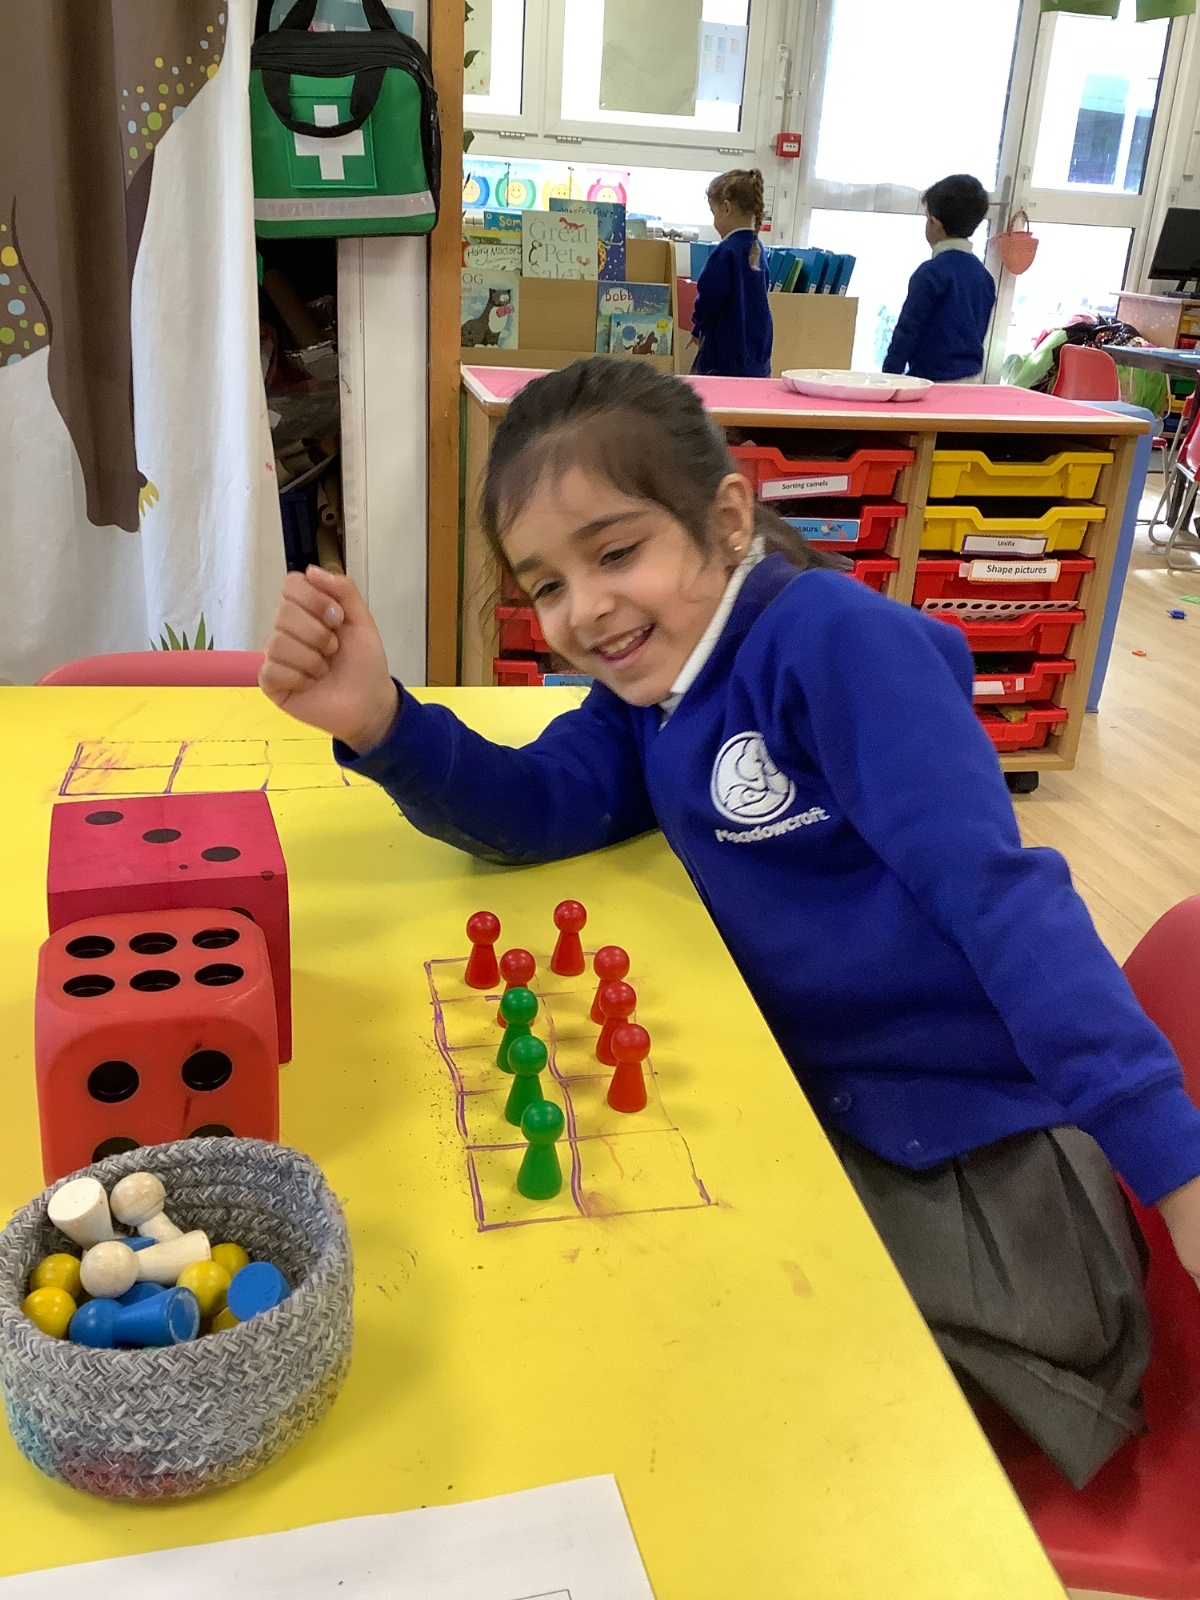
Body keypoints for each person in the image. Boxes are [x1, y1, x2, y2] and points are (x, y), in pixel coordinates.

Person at [261, 359, 1200, 1488]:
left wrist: (1178, 1166)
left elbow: (1006, 903)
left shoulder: (836, 647)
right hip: (816, 1121)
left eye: (616, 553)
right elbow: (539, 807)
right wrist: (383, 722)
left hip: (979, 1172)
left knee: (693, 1390)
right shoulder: (650, 695)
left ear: (726, 517)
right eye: (547, 584)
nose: (585, 609)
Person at [883, 174, 996, 383]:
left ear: (934, 222)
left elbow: (907, 331)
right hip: (972, 380)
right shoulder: (985, 277)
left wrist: (888, 376)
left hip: (930, 381)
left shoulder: (930, 273)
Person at [691, 168, 773, 378]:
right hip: (757, 358)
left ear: (726, 208)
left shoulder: (726, 251)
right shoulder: (758, 249)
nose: (714, 222)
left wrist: (697, 326)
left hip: (725, 357)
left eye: (714, 213)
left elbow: (709, 295)